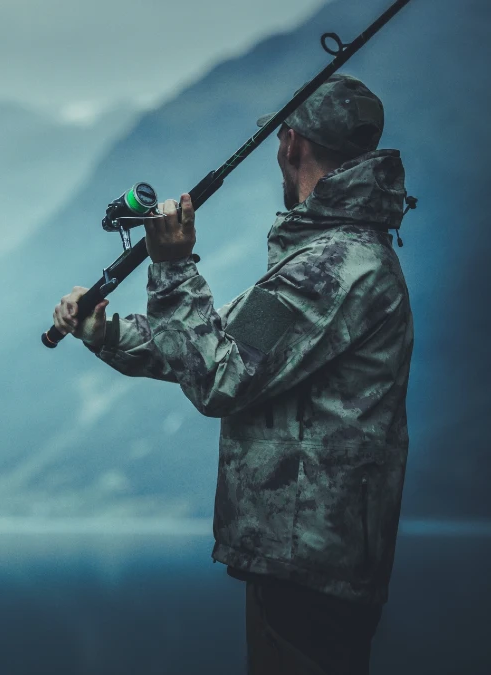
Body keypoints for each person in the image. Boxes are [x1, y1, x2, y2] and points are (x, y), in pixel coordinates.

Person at [52, 73, 414, 675]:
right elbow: (217, 346)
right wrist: (104, 331)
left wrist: (172, 266)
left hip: (312, 566)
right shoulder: (331, 257)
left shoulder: (335, 267)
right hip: (300, 558)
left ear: (291, 143)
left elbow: (219, 376)